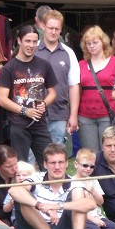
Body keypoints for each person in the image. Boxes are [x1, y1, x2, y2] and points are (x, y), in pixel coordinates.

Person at [10, 143, 94, 229]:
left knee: (78, 194)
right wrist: (40, 206)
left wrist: (57, 206)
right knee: (23, 199)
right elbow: (14, 190)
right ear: (45, 164)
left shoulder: (75, 183)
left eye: (60, 162)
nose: (57, 167)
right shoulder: (36, 178)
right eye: (53, 163)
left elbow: (90, 204)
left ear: (66, 164)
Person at [0, 24, 57, 169]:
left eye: (35, 42)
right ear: (19, 41)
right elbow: (1, 99)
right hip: (18, 125)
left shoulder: (44, 65)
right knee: (21, 168)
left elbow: (53, 92)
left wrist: (44, 103)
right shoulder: (9, 68)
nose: (31, 45)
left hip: (41, 124)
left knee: (50, 164)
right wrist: (25, 111)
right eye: (28, 41)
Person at [36, 9, 80, 144]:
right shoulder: (32, 49)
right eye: (50, 28)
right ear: (43, 27)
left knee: (55, 157)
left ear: (61, 30)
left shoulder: (68, 53)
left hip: (58, 113)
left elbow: (73, 86)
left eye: (57, 28)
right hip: (33, 113)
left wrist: (73, 115)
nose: (53, 32)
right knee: (30, 159)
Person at [78, 26, 115, 151]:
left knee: (109, 151)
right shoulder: (81, 64)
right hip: (85, 115)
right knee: (90, 153)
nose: (92, 46)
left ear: (103, 42)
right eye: (88, 43)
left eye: (95, 42)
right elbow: (76, 90)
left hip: (108, 114)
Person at [70, 148, 115, 229]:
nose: (88, 169)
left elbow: (100, 202)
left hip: (97, 215)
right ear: (76, 164)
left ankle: (95, 226)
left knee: (114, 228)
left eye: (92, 166)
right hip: (83, 217)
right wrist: (92, 219)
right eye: (85, 165)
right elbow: (76, 208)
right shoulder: (71, 182)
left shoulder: (93, 180)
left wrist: (93, 191)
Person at [2, 161, 39, 227]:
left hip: (35, 217)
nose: (21, 178)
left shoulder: (34, 189)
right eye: (18, 175)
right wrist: (11, 202)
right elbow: (5, 209)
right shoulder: (13, 190)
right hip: (17, 220)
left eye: (24, 175)